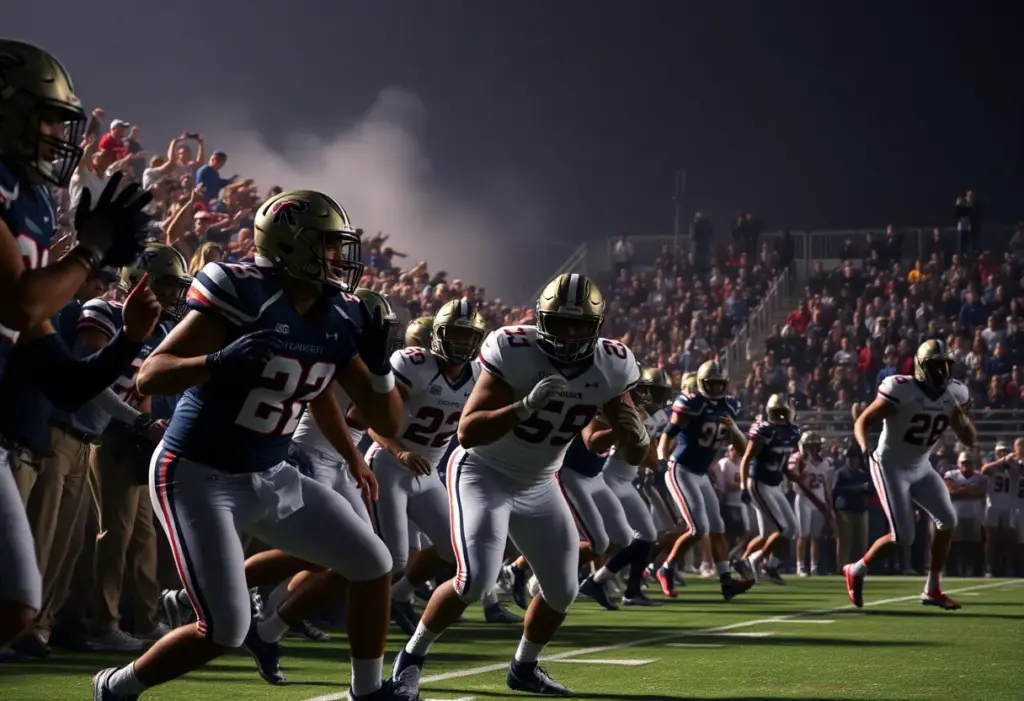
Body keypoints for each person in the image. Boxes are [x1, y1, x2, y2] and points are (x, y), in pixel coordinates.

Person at [92, 189, 412, 701]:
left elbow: (382, 418)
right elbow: (152, 376)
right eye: (328, 245)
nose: (338, 258)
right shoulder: (242, 292)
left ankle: (368, 692)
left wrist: (377, 371)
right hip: (197, 473)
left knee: (375, 564)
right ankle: (117, 687)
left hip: (270, 471)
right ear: (290, 245)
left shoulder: (339, 315)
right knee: (224, 630)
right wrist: (217, 362)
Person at [392, 273, 652, 698]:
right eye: (560, 322)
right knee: (474, 580)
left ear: (597, 326)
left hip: (540, 481)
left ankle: (524, 667)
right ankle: (411, 658)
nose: (569, 334)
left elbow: (634, 453)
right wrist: (525, 405)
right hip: (484, 471)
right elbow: (469, 432)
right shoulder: (514, 349)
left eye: (579, 325)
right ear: (541, 319)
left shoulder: (612, 364)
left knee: (563, 590)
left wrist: (635, 436)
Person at [0, 39, 155, 652]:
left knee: (15, 605)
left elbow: (62, 377)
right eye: (45, 118)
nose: (57, 136)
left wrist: (131, 343)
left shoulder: (31, 202)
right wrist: (86, 250)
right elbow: (24, 304)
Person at [366, 298, 489, 624]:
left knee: (454, 549)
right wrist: (401, 452)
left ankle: (401, 594)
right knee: (393, 558)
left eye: (468, 336)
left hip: (428, 472)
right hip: (390, 466)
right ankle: (355, 610)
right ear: (438, 334)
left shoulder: (478, 374)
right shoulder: (414, 364)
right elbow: (374, 421)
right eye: (455, 334)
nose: (462, 343)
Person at [843, 339, 976, 610]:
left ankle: (933, 588)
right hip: (889, 465)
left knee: (948, 520)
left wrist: (960, 419)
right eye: (935, 366)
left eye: (945, 366)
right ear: (921, 367)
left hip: (921, 464)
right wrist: (865, 447)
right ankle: (856, 569)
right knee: (903, 536)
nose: (941, 373)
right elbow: (864, 421)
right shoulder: (901, 389)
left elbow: (969, 439)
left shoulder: (956, 393)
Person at [655, 360, 752, 600]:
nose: (717, 388)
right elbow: (668, 434)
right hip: (681, 469)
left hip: (700, 474)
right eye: (712, 384)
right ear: (701, 383)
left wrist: (735, 430)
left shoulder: (729, 406)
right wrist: (661, 458)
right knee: (698, 528)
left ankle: (726, 581)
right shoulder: (692, 403)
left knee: (717, 527)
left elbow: (742, 448)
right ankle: (665, 569)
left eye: (720, 384)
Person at [595, 367, 674, 606]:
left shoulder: (659, 417)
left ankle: (615, 586)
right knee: (611, 539)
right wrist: (657, 463)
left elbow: (652, 450)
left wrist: (656, 461)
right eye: (657, 392)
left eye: (664, 393)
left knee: (645, 535)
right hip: (612, 477)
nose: (661, 399)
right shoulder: (632, 412)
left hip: (626, 479)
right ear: (645, 390)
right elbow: (643, 455)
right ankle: (601, 581)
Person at [737, 393, 803, 585]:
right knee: (785, 527)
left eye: (784, 413)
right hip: (759, 483)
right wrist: (743, 486)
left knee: (786, 530)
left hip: (775, 484)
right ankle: (758, 561)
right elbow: (746, 459)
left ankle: (756, 563)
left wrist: (795, 479)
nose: (781, 417)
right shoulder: (765, 430)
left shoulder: (793, 432)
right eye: (778, 413)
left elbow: (782, 462)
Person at [789, 431, 835, 576]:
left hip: (819, 501)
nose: (816, 448)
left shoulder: (825, 463)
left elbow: (827, 487)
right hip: (804, 498)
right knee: (803, 534)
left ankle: (814, 566)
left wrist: (830, 505)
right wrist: (802, 466)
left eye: (817, 445)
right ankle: (800, 565)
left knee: (816, 536)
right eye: (813, 445)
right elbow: (793, 477)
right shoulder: (797, 459)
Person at [831, 444, 872, 569]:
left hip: (861, 509)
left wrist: (866, 488)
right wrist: (855, 488)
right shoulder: (841, 473)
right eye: (850, 458)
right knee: (845, 541)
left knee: (862, 541)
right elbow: (835, 490)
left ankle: (860, 566)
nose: (852, 461)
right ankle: (842, 566)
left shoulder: (862, 474)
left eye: (854, 458)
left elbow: (871, 490)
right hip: (845, 509)